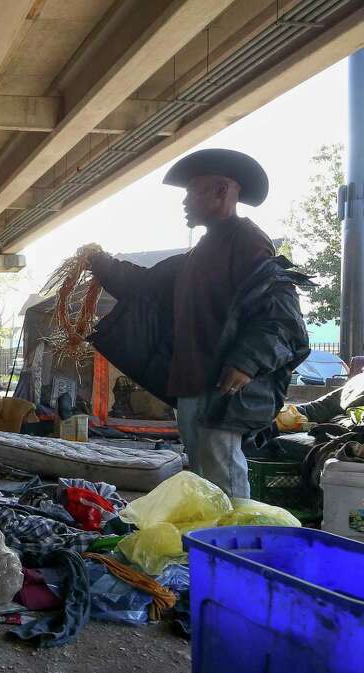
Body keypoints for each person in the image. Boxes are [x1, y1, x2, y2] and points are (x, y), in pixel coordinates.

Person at [86, 149, 309, 498]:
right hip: (193, 384)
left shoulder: (247, 240)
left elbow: (278, 312)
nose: (185, 202)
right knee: (204, 475)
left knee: (223, 472)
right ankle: (209, 543)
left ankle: (236, 543)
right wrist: (100, 263)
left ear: (221, 191)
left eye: (193, 191)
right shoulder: (203, 249)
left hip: (223, 385)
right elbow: (149, 285)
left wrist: (246, 362)